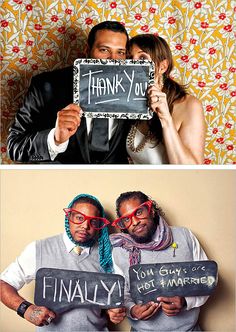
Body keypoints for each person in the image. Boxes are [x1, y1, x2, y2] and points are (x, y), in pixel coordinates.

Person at [7, 21, 131, 164]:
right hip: (59, 183)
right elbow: (14, 148)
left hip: (116, 184)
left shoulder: (135, 93)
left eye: (120, 52)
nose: (113, 60)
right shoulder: (46, 85)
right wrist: (55, 139)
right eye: (104, 50)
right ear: (87, 50)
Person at [0, 194, 114, 331]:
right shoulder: (39, 249)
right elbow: (3, 284)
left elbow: (111, 300)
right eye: (79, 218)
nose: (85, 226)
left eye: (93, 222)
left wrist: (113, 311)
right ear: (69, 217)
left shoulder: (106, 256)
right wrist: (26, 309)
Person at [108, 191, 209, 331]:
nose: (135, 222)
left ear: (152, 210)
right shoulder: (120, 251)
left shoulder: (184, 236)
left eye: (139, 212)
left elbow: (206, 279)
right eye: (126, 219)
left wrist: (185, 301)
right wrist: (132, 310)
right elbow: (120, 293)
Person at [126, 34, 206, 164]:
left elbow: (192, 172)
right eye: (129, 58)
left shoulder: (189, 105)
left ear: (162, 67)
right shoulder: (130, 102)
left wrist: (166, 119)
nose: (133, 65)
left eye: (142, 58)